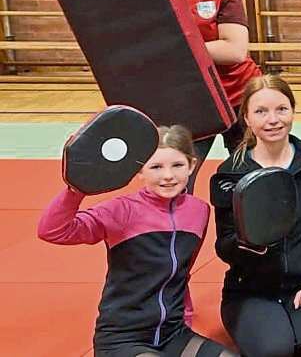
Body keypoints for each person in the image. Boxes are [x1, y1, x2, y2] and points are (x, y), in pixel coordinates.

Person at [38, 125, 235, 357]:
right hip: (123, 337)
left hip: (173, 333)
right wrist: (76, 190)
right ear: (140, 170)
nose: (168, 175)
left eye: (177, 165)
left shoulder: (198, 211)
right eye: (156, 167)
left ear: (192, 165)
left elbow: (182, 270)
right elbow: (53, 231)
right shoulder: (122, 211)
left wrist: (186, 317)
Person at [212, 75, 301, 357]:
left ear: (292, 111)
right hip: (251, 290)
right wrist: (247, 244)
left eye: (281, 109)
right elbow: (223, 246)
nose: (272, 120)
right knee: (274, 351)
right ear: (246, 118)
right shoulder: (231, 173)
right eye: (261, 111)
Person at [162, 0, 263, 169]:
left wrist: (171, 50)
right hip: (190, 102)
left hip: (240, 96)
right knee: (178, 177)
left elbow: (234, 50)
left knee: (253, 174)